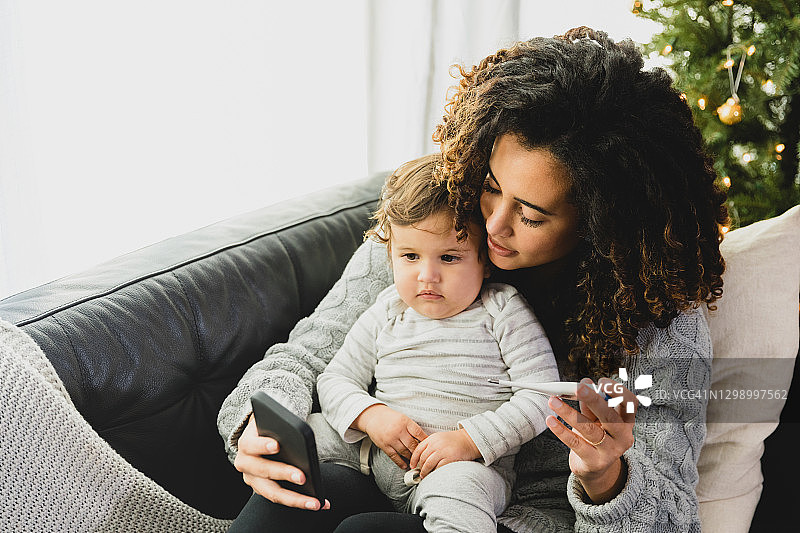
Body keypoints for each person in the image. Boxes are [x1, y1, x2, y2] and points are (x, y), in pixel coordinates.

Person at [220, 26, 727, 533]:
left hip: (507, 516)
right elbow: (307, 356)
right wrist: (259, 433)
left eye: (530, 215)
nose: (492, 226)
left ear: (601, 222)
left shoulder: (657, 322)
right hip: (381, 472)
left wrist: (605, 476)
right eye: (491, 187)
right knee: (287, 500)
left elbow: (671, 519)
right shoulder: (434, 230)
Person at [305, 154, 559, 533]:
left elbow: (541, 396)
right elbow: (336, 379)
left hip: (464, 468)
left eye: (449, 257)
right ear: (390, 255)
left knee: (460, 498)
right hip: (373, 456)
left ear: (484, 261)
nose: (428, 276)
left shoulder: (501, 309)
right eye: (409, 256)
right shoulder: (387, 309)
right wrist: (371, 416)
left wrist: (469, 441)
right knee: (305, 435)